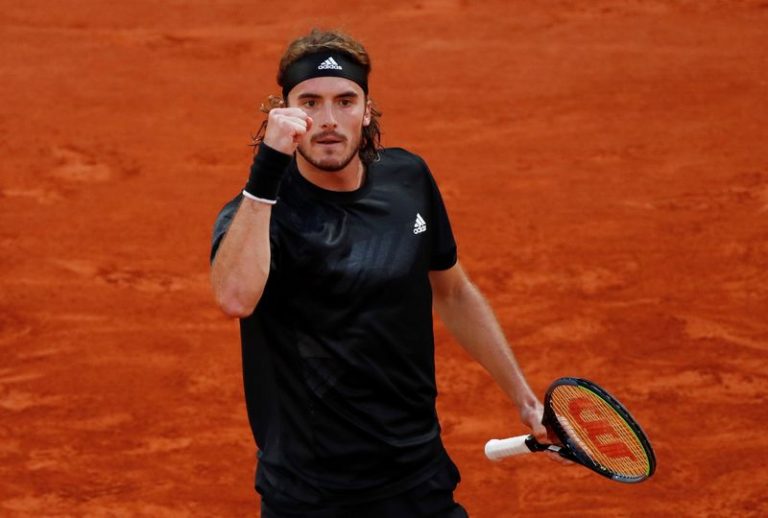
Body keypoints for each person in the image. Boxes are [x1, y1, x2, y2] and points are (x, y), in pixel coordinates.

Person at [210, 28, 547, 517]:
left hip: (418, 475)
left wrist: (524, 398)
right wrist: (265, 173)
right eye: (310, 102)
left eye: (345, 101)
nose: (328, 121)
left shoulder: (407, 179)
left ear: (366, 110)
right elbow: (235, 298)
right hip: (312, 495)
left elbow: (452, 293)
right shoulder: (259, 215)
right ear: (283, 113)